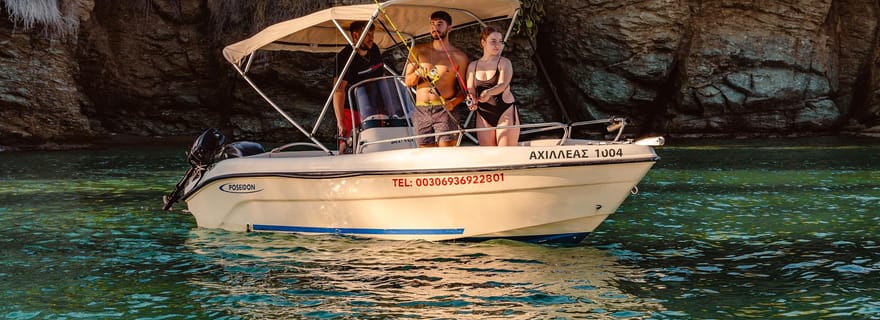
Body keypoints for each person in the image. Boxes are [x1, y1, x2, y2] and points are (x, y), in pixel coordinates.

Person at [404, 11, 472, 148]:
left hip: (445, 111)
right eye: (432, 24)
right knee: (425, 154)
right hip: (421, 110)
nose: (435, 27)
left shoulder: (459, 57)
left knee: (446, 153)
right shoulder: (418, 50)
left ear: (449, 28)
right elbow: (408, 82)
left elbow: (465, 90)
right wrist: (417, 73)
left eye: (440, 24)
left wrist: (453, 103)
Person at [333, 21, 384, 153]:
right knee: (349, 142)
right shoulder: (344, 57)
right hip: (352, 108)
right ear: (355, 36)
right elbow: (338, 90)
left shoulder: (375, 50)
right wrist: (340, 121)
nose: (371, 37)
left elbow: (380, 79)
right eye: (367, 34)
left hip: (372, 107)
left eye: (372, 33)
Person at [466, 25, 520, 146]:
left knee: (505, 154)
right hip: (483, 114)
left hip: (504, 111)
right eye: (493, 42)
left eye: (500, 42)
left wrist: (489, 92)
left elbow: (502, 85)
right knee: (489, 155)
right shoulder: (472, 66)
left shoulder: (505, 62)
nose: (497, 45)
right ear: (483, 42)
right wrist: (472, 99)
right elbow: (471, 91)